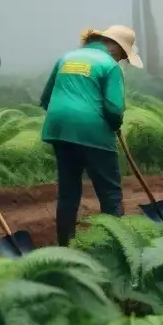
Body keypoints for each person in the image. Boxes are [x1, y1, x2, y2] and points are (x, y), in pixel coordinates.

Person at [40, 25, 142, 246]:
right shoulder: (109, 66)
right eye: (124, 55)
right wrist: (114, 124)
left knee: (68, 192)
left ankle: (66, 247)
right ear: (115, 48)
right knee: (110, 194)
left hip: (59, 129)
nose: (121, 60)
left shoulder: (66, 58)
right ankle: (114, 247)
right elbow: (114, 109)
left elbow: (45, 99)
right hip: (92, 131)